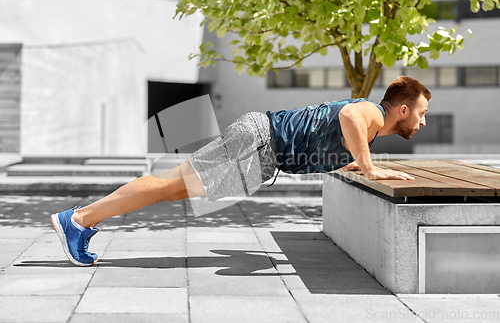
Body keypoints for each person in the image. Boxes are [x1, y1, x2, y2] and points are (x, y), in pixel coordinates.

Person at [51, 75, 429, 266]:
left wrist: (355, 163)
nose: (424, 122)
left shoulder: (370, 129)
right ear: (403, 109)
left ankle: (80, 221)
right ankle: (79, 219)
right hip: (260, 140)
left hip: (262, 159)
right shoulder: (371, 113)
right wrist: (371, 168)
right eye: (423, 113)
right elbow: (347, 114)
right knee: (169, 183)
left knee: (172, 188)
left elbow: (329, 138)